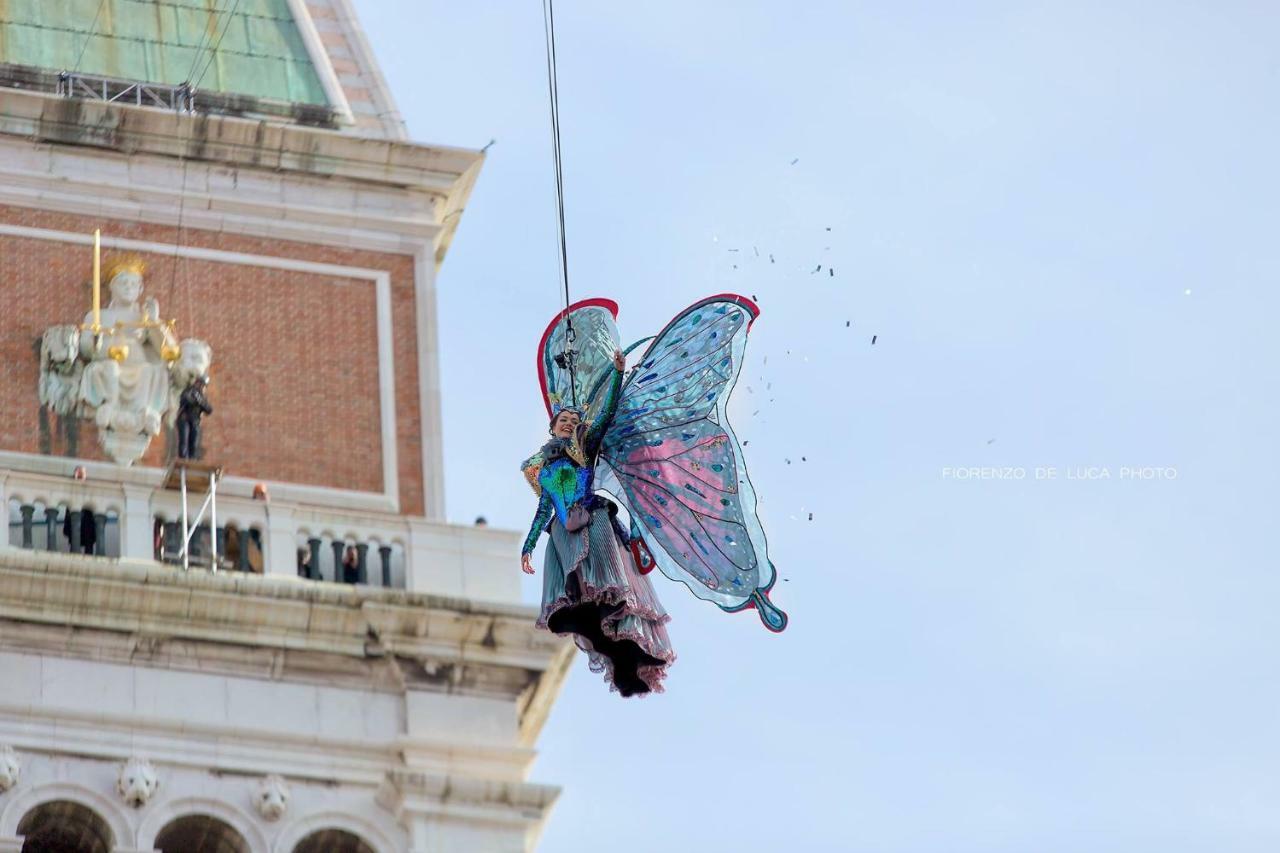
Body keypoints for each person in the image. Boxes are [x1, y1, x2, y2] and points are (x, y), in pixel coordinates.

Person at [521, 349, 674, 697]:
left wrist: (618, 373)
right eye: (563, 420)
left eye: (574, 421)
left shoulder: (583, 449)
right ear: (551, 425)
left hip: (593, 520)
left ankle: (628, 653)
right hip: (562, 533)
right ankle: (604, 638)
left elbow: (604, 416)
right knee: (580, 597)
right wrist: (529, 546)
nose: (569, 424)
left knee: (606, 589)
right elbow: (543, 510)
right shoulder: (542, 469)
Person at [176, 376, 212, 459]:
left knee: (194, 443)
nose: (202, 387)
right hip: (185, 420)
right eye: (201, 384)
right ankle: (184, 461)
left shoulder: (203, 398)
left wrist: (200, 401)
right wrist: (195, 399)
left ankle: (191, 461)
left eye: (204, 386)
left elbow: (209, 410)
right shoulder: (188, 391)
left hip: (195, 422)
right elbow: (185, 400)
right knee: (184, 441)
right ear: (197, 383)